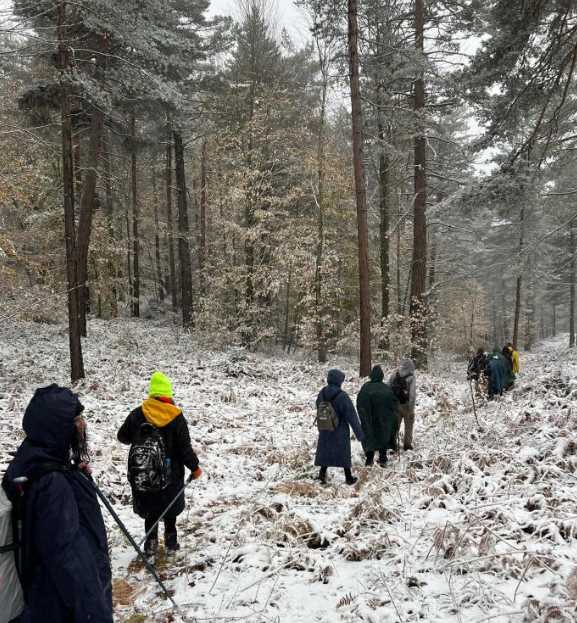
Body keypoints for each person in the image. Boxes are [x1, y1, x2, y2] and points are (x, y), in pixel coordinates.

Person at [2, 384, 113, 623]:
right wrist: (97, 615)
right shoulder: (53, 485)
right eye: (77, 419)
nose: (83, 425)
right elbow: (72, 562)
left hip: (37, 601)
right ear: (59, 428)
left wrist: (77, 479)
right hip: (59, 609)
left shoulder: (30, 460)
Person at [118, 372, 201, 557]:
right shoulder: (176, 417)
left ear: (152, 393)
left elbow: (122, 437)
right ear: (168, 394)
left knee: (150, 509)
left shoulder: (138, 413)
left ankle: (150, 543)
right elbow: (185, 449)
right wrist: (195, 468)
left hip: (144, 474)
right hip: (172, 476)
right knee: (170, 509)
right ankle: (171, 542)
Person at [314, 369, 364, 485]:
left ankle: (322, 474)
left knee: (325, 450)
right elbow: (352, 415)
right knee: (343, 453)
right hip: (339, 429)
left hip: (325, 427)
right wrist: (360, 434)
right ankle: (348, 477)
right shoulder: (342, 396)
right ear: (339, 381)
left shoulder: (322, 392)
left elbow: (318, 405)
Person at [356, 365, 399, 467]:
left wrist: (363, 416)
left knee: (370, 436)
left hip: (369, 418)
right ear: (381, 376)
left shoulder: (366, 388)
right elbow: (394, 405)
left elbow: (360, 403)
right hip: (384, 419)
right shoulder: (386, 389)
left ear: (371, 376)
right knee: (383, 436)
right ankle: (383, 459)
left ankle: (369, 459)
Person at [389, 359, 417, 451]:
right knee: (408, 426)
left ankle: (393, 444)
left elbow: (388, 387)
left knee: (395, 425)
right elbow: (412, 394)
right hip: (407, 405)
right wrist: (411, 409)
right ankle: (407, 445)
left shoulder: (395, 374)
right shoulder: (412, 377)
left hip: (396, 405)